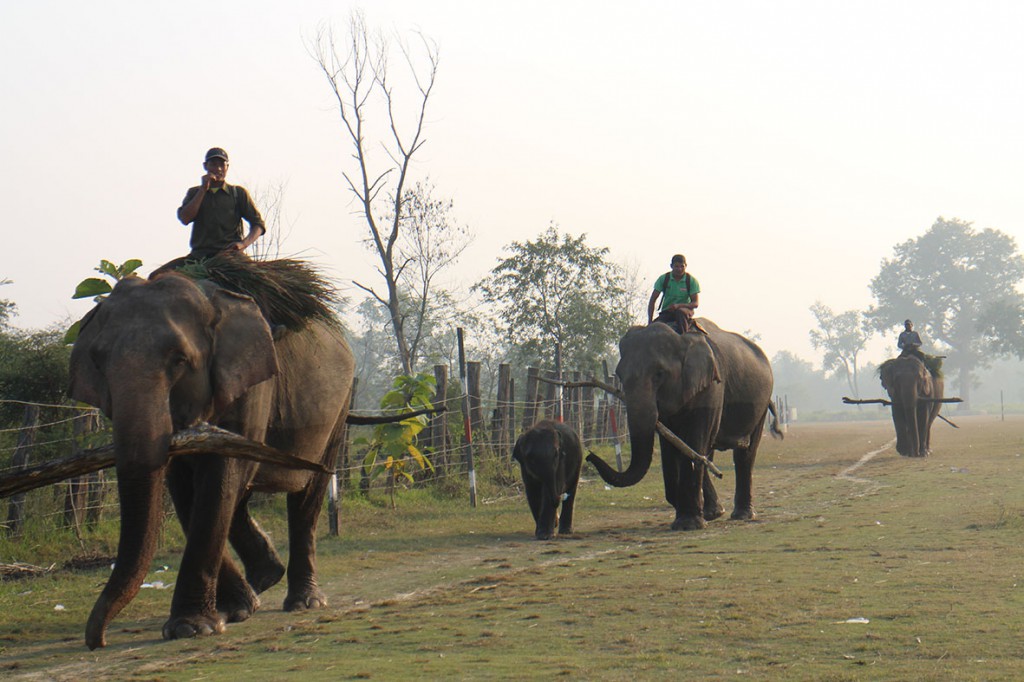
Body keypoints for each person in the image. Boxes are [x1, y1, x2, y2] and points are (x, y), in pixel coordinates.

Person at [177, 147, 266, 260]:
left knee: (256, 276)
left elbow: (258, 225)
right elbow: (185, 219)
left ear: (227, 167)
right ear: (205, 166)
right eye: (213, 164)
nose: (218, 169)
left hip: (230, 256)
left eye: (222, 165)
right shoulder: (194, 192)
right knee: (157, 275)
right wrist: (203, 189)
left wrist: (243, 244)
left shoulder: (237, 193)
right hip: (199, 256)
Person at [648, 254, 701, 333]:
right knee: (655, 330)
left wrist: (679, 306)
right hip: (667, 311)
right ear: (671, 266)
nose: (679, 269)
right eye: (676, 266)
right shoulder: (664, 279)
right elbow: (652, 300)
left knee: (680, 312)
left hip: (684, 312)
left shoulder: (691, 281)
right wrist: (650, 321)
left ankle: (683, 338)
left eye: (682, 266)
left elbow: (695, 303)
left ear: (686, 266)